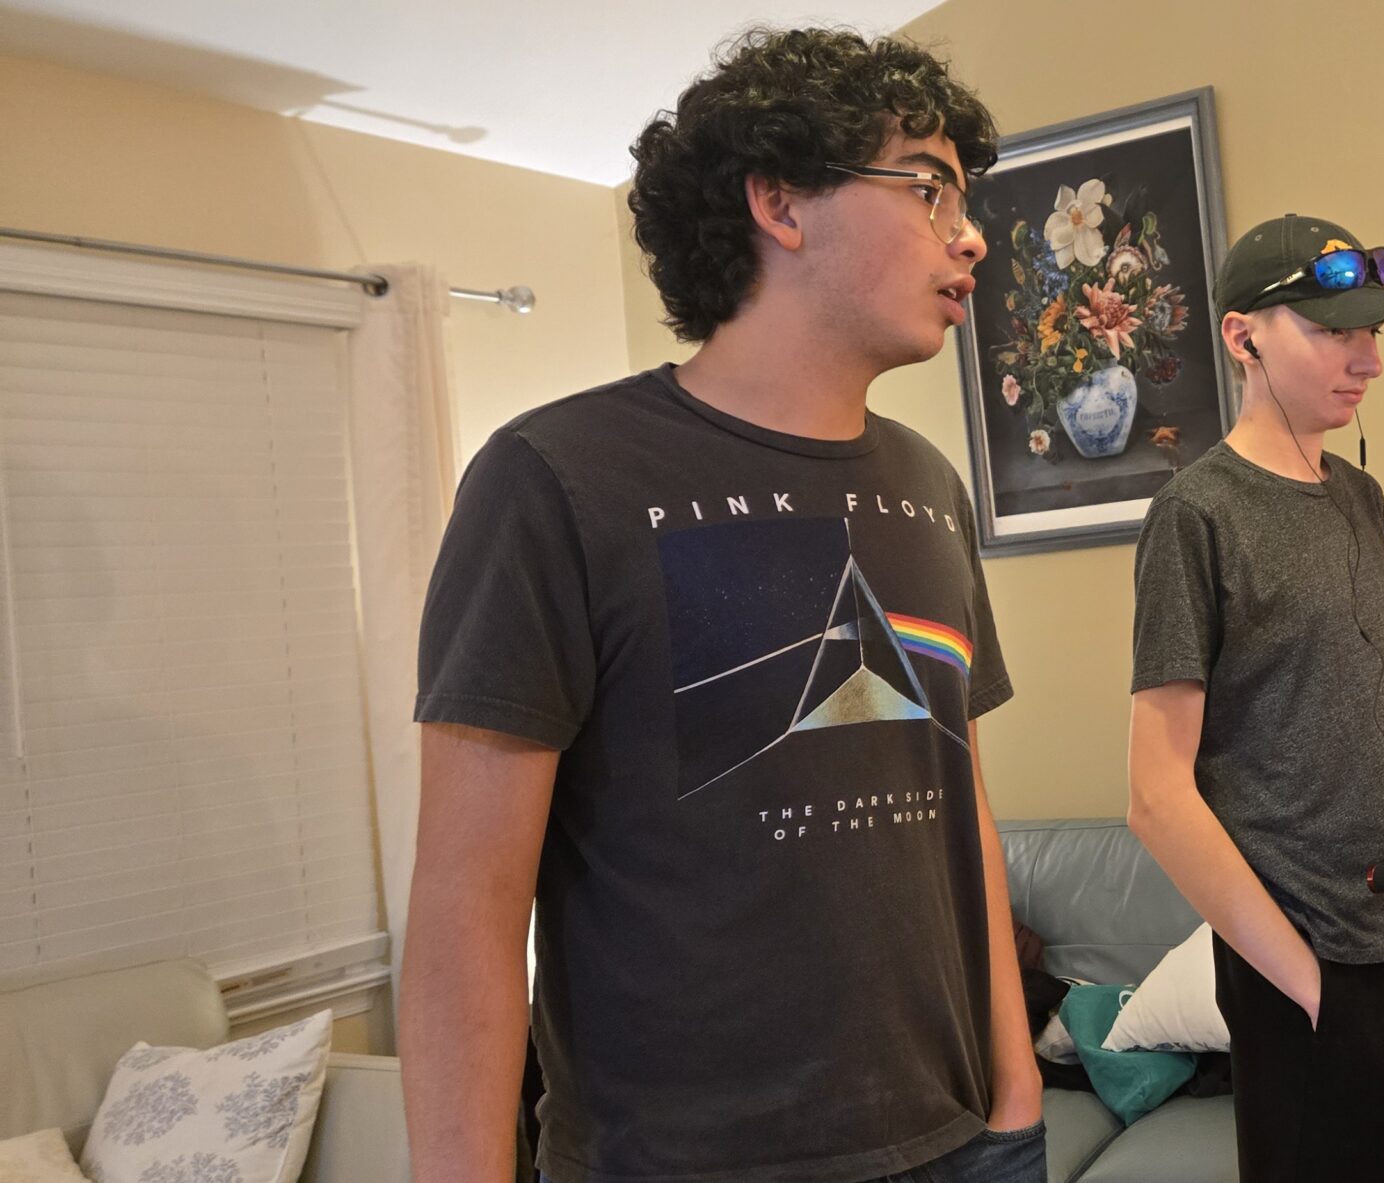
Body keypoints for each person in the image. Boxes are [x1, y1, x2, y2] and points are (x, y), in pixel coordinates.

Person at [402, 28, 1044, 1183]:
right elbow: (466, 908)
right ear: (780, 201)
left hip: (962, 1143)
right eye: (929, 187)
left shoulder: (930, 488)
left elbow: (965, 811)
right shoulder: (555, 479)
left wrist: (1015, 1093)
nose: (970, 234)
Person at [1126, 213, 1384, 1181]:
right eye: (1334, 331)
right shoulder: (1196, 514)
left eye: (1371, 332)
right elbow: (1156, 795)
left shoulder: (1358, 495)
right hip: (1321, 959)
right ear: (1242, 334)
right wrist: (1302, 980)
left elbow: (1373, 706)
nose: (1367, 359)